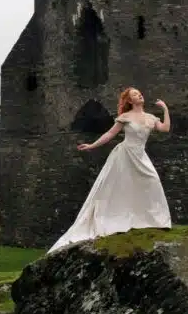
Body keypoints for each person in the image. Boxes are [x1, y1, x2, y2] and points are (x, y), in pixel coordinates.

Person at [47, 86, 174, 254]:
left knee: (152, 181)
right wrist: (92, 145)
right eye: (135, 94)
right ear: (130, 100)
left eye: (140, 93)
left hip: (140, 155)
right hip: (124, 155)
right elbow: (109, 134)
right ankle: (118, 219)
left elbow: (165, 128)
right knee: (120, 187)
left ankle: (155, 220)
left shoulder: (150, 118)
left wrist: (165, 109)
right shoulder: (125, 117)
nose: (140, 95)